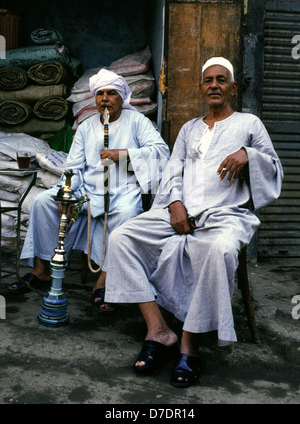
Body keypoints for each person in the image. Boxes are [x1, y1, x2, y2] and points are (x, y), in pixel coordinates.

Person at [104, 57, 283, 387]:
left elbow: (274, 168)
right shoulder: (189, 129)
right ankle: (158, 329)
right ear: (201, 88)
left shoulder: (250, 124)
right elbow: (172, 171)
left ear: (233, 87)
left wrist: (250, 154)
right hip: (180, 212)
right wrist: (174, 203)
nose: (214, 85)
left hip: (226, 215)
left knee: (218, 251)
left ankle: (189, 343)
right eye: (208, 80)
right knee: (121, 237)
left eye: (221, 80)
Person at [9, 68, 170, 314]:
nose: (104, 99)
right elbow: (73, 167)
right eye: (100, 94)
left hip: (122, 193)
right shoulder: (86, 126)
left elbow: (160, 154)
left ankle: (104, 281)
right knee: (43, 202)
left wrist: (124, 155)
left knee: (127, 216)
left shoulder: (137, 122)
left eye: (111, 93)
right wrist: (67, 192)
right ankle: (41, 270)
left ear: (122, 96)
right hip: (87, 191)